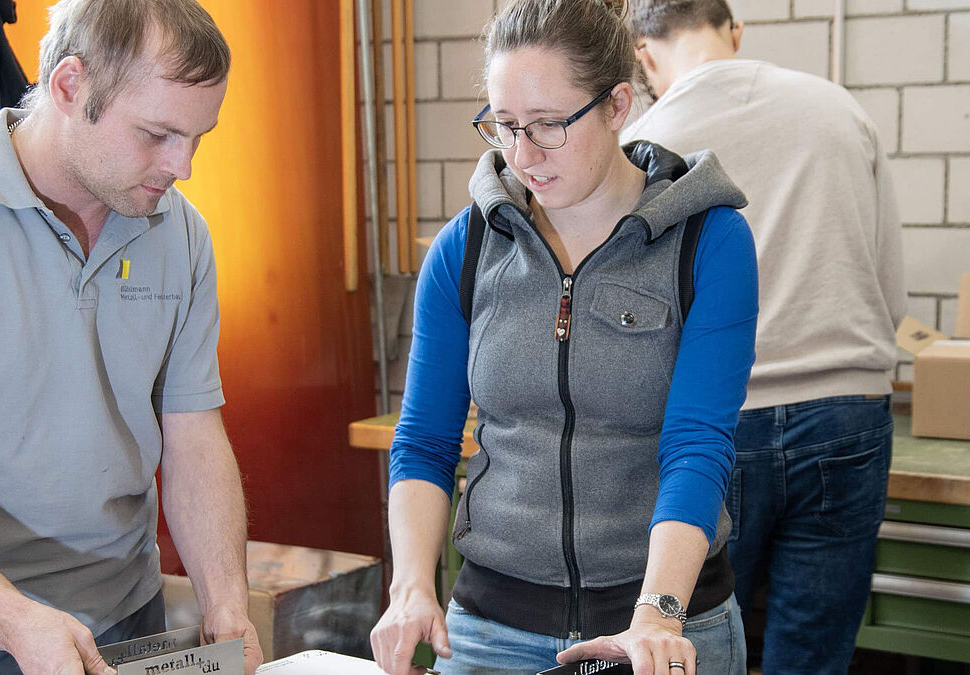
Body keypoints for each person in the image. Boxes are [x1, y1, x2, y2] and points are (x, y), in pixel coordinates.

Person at [0, 1, 263, 673]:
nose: (183, 166)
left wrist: (226, 602)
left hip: (125, 622)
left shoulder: (180, 232)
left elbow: (193, 435)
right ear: (69, 87)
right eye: (156, 134)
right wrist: (15, 619)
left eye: (197, 138)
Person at [369, 0, 759, 673]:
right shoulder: (465, 251)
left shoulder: (708, 241)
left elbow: (696, 445)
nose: (523, 156)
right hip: (490, 627)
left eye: (550, 126)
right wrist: (410, 587)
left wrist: (656, 614)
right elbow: (424, 443)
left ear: (617, 105)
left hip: (661, 624)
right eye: (505, 126)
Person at [621, 3, 906, 673]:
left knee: (692, 645)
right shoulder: (839, 110)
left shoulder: (643, 142)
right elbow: (891, 295)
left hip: (714, 430)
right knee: (813, 653)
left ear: (646, 54)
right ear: (735, 31)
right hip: (847, 410)